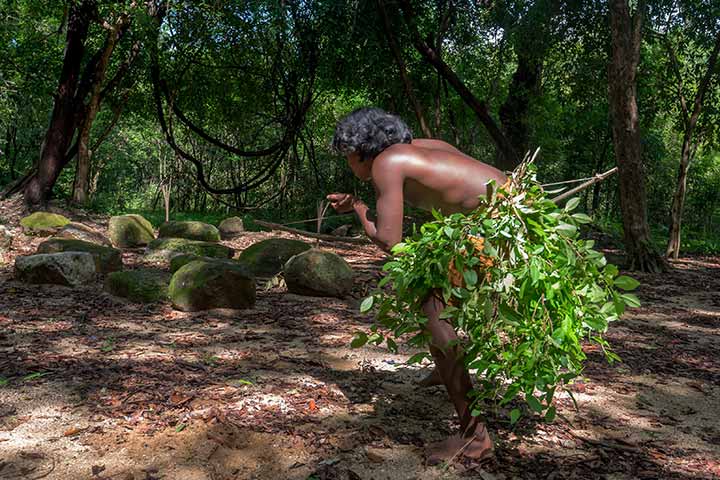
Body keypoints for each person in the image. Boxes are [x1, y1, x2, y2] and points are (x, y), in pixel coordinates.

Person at [327, 107, 507, 463]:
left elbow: (391, 241)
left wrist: (360, 209)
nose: (349, 164)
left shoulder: (387, 163)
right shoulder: (420, 147)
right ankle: (447, 372)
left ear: (363, 151)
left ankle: (475, 436)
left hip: (497, 229)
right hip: (508, 214)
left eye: (348, 157)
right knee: (437, 295)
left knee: (432, 310)